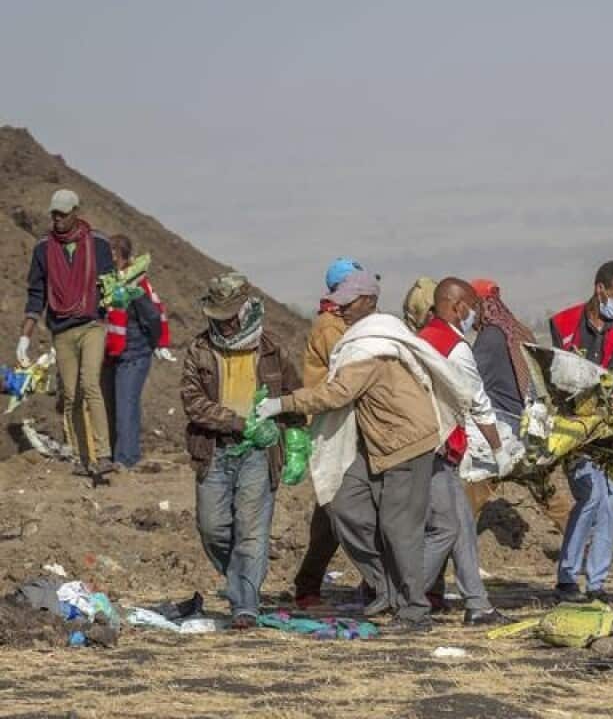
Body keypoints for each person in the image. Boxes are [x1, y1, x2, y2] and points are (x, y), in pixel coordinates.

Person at [260, 270, 469, 632]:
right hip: (375, 442)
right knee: (342, 501)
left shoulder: (372, 346)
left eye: (349, 303)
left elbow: (336, 393)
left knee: (398, 527)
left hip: (405, 443)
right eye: (339, 303)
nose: (341, 310)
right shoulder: (362, 338)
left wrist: (282, 404)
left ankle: (414, 610)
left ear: (369, 302)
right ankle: (386, 585)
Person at [180, 273, 302, 629]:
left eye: (231, 316)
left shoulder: (272, 349)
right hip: (214, 450)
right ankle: (239, 581)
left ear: (248, 309)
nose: (226, 325)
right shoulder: (199, 350)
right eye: (219, 318)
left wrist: (296, 439)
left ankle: (245, 605)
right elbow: (192, 402)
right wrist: (238, 423)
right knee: (212, 528)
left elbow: (293, 395)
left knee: (251, 530)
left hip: (259, 455)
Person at [416, 278, 513, 626]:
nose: (474, 315)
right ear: (458, 308)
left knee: (463, 527)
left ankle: (478, 604)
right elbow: (478, 403)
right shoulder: (456, 349)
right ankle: (405, 598)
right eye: (471, 307)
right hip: (435, 449)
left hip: (427, 445)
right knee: (444, 528)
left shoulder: (424, 338)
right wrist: (499, 449)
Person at [548, 261, 613, 603]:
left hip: (609, 423)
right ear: (600, 289)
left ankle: (597, 582)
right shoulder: (563, 323)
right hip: (573, 423)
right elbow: (561, 375)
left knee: (611, 501)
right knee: (590, 496)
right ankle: (568, 577)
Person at [466, 279, 575, 531]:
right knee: (546, 492)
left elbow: (469, 382)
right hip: (528, 429)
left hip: (502, 431)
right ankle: (580, 540)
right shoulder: (519, 331)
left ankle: (453, 551)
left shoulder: (489, 338)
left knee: (472, 494)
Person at [19, 189, 116, 475]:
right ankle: (81, 457)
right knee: (71, 395)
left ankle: (104, 453)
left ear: (76, 212)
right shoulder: (43, 249)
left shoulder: (97, 243)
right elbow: (36, 293)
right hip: (61, 328)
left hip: (91, 325)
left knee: (90, 384)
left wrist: (114, 298)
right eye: (54, 214)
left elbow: (109, 284)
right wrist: (25, 335)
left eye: (63, 213)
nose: (58, 219)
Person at [292, 258, 364, 608]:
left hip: (345, 422)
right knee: (333, 507)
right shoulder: (331, 326)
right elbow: (349, 371)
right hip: (332, 425)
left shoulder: (338, 322)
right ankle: (308, 585)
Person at [103, 234, 175, 468]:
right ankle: (118, 456)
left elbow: (153, 315)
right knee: (116, 406)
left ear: (118, 256)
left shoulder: (135, 284)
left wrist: (157, 343)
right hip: (116, 354)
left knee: (126, 405)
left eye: (110, 253)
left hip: (134, 354)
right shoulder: (110, 283)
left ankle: (127, 460)